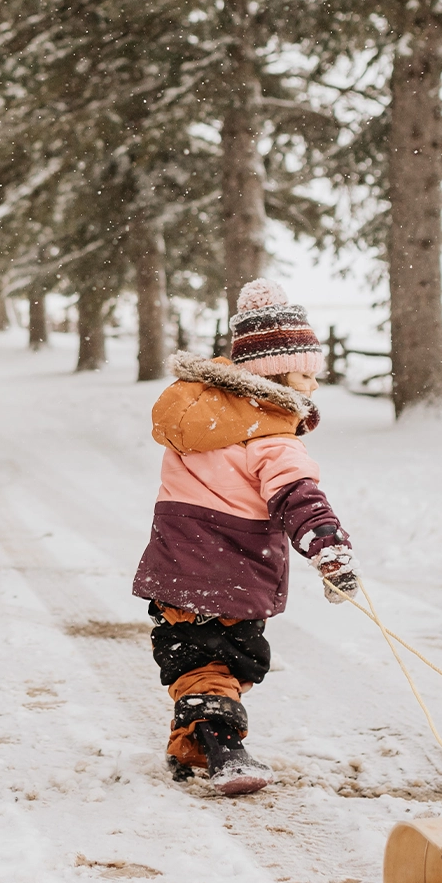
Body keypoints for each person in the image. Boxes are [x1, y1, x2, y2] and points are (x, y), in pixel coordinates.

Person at [132, 279, 360, 796]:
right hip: (235, 575)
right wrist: (329, 548)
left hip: (176, 571)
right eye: (305, 373)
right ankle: (226, 750)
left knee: (193, 660)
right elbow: (300, 497)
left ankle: (192, 745)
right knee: (222, 665)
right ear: (273, 374)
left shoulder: (198, 423)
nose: (314, 385)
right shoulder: (273, 439)